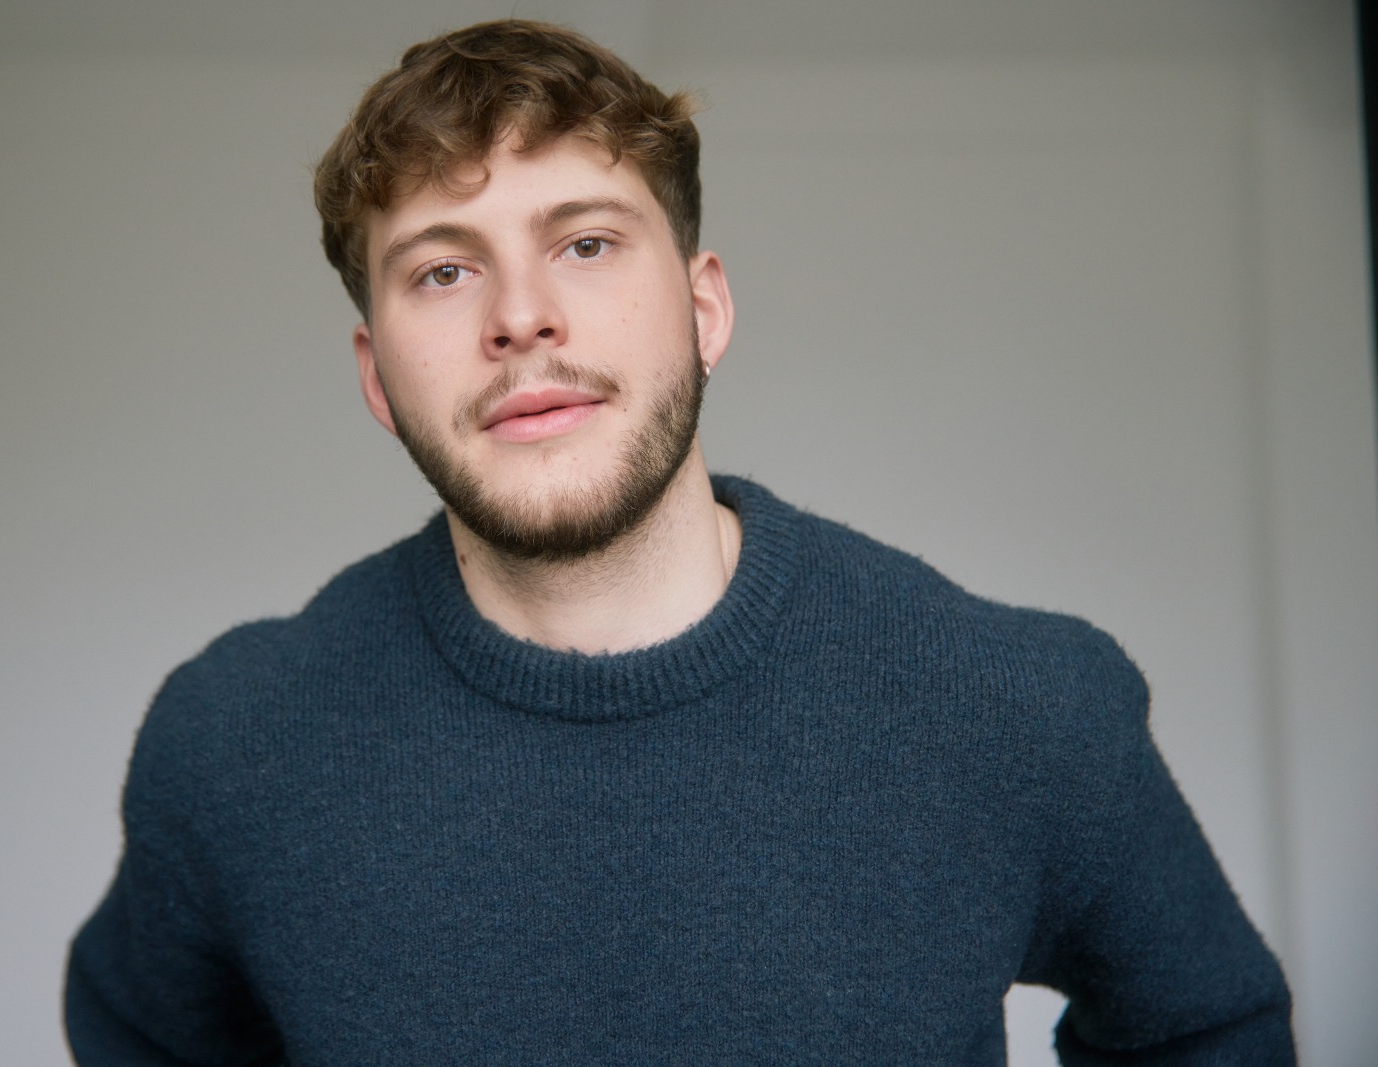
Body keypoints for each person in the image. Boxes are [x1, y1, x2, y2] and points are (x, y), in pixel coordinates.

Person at [64, 18, 1294, 1065]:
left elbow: (1208, 1030)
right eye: (442, 272)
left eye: (586, 243)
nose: (521, 316)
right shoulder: (233, 743)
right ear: (377, 376)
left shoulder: (1017, 705)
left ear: (703, 309)